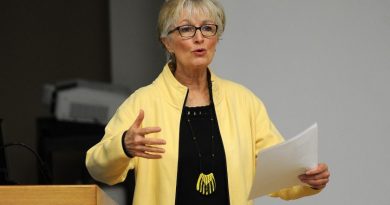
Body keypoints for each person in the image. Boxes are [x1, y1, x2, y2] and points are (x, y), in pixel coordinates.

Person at [85, 0, 330, 204]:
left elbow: (279, 174)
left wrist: (308, 179)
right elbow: (98, 168)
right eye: (186, 29)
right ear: (166, 42)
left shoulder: (243, 102)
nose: (199, 38)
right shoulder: (144, 103)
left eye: (208, 28)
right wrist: (123, 146)